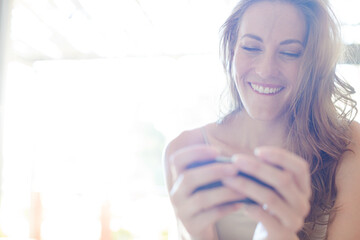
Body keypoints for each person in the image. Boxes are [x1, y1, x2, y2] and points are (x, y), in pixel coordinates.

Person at [163, 0, 360, 239]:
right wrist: (193, 232)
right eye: (251, 47)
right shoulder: (185, 150)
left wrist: (280, 234)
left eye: (289, 52)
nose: (266, 70)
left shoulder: (349, 144)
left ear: (313, 64)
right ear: (232, 49)